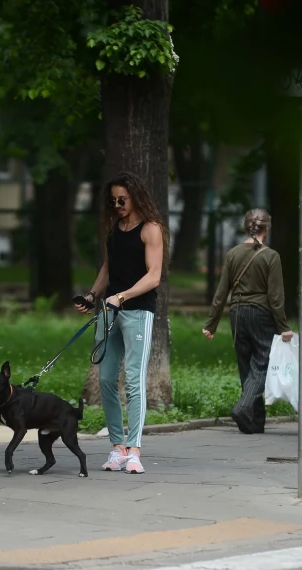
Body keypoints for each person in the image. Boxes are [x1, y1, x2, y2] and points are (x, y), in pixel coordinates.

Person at [75, 171, 167, 474]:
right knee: (105, 377)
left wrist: (123, 297)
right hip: (109, 310)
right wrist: (91, 296)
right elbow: (107, 267)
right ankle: (118, 447)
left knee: (133, 380)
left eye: (122, 200)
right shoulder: (114, 230)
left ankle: (135, 450)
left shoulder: (151, 229)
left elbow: (154, 276)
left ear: (135, 197)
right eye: (113, 200)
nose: (117, 205)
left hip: (138, 311)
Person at [202, 208, 293, 434]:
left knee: (246, 365)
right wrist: (283, 327)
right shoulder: (271, 256)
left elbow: (221, 292)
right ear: (266, 228)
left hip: (237, 314)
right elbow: (275, 297)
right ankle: (243, 407)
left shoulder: (233, 254)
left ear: (247, 227)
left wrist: (211, 324)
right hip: (261, 314)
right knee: (262, 363)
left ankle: (255, 421)